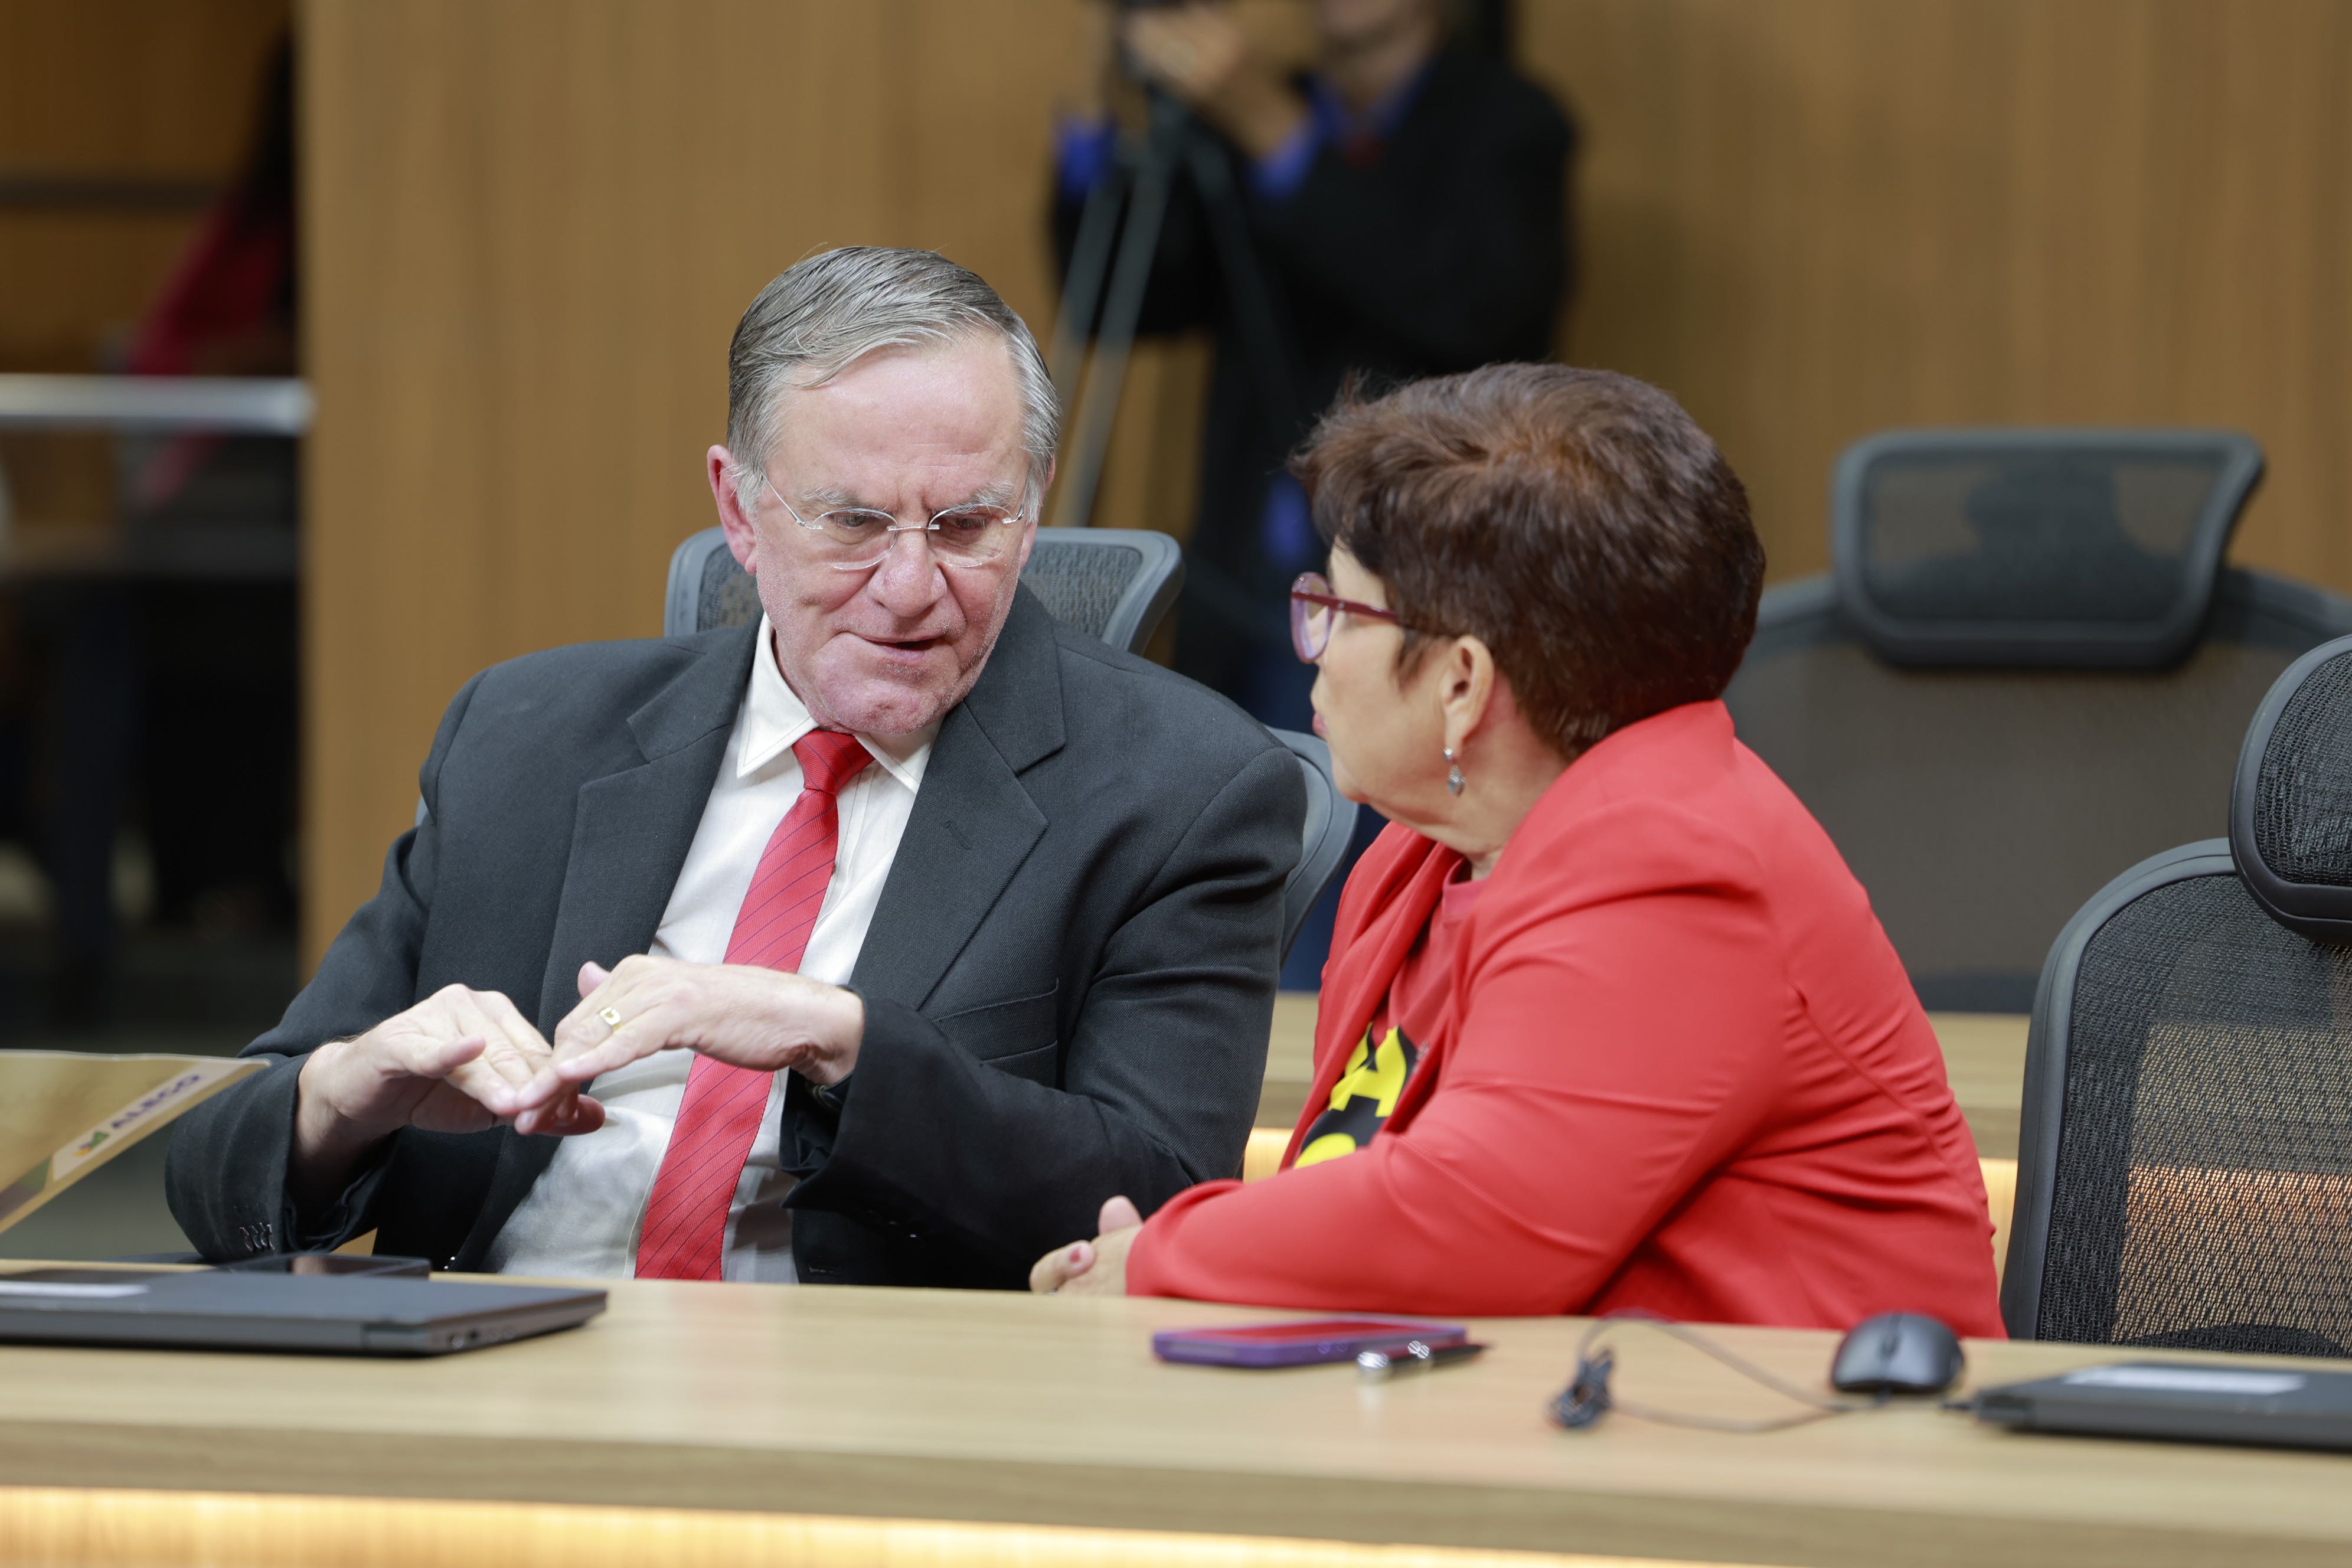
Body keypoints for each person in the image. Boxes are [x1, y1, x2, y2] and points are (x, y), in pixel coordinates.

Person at [166, 247, 1305, 1289]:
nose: (910, 588)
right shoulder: (523, 737)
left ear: (1033, 503)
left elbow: (1156, 1200)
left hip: (870, 1399)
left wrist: (841, 1041)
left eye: (965, 525)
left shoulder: (1180, 789)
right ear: (739, 510)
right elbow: (210, 1174)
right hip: (489, 1364)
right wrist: (334, 1102)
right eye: (852, 522)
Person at [1030, 364, 2006, 1334]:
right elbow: (1357, 1185)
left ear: (1461, 683)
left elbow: (1466, 1223)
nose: (1312, 645)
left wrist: (1161, 1258)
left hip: (1816, 1420)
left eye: (1339, 609)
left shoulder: (1674, 863)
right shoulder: (1419, 855)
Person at [1053, 0, 1576, 731]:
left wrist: (1279, 137)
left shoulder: (1508, 123)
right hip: (1244, 578)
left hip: (1418, 588)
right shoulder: (1251, 109)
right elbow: (1128, 299)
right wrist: (1106, 120)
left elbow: (1474, 309)